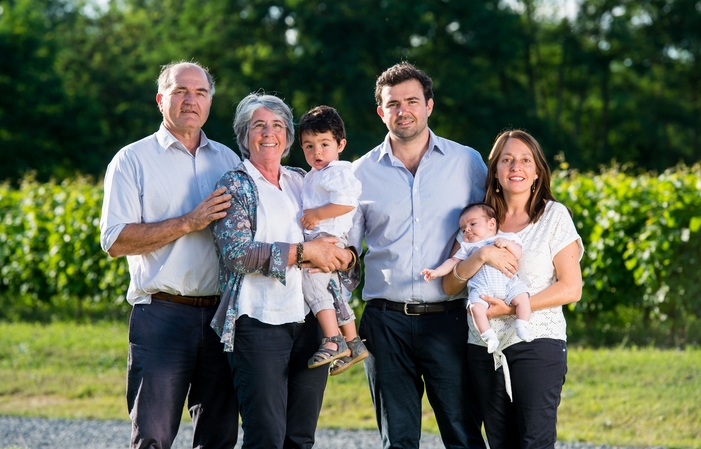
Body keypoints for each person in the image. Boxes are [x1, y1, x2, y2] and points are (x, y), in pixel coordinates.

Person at [99, 61, 240, 449]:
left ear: (210, 102)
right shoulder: (132, 160)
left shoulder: (229, 160)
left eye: (200, 93)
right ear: (161, 100)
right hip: (162, 315)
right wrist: (188, 222)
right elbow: (114, 240)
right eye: (180, 91)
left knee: (219, 437)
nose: (190, 100)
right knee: (153, 438)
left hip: (221, 318)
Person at [348, 61, 488, 449]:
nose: (402, 110)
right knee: (399, 440)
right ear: (381, 112)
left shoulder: (467, 163)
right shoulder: (359, 174)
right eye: (393, 104)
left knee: (462, 434)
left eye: (412, 101)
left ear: (429, 105)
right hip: (384, 323)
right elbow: (347, 253)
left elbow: (494, 223)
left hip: (450, 319)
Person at [209, 93, 358, 449]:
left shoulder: (302, 179)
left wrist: (348, 258)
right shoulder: (235, 184)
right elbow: (236, 253)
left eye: (277, 125)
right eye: (259, 125)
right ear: (244, 135)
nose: (268, 133)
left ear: (288, 136)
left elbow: (338, 235)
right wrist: (305, 252)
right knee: (266, 438)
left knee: (300, 437)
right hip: (258, 324)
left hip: (310, 323)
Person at [443, 130, 583, 448]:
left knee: (534, 441)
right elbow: (450, 284)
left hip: (537, 343)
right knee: (500, 441)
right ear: (495, 170)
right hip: (484, 347)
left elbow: (571, 288)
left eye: (524, 160)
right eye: (506, 160)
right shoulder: (477, 220)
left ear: (536, 172)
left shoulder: (553, 217)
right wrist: (479, 255)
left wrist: (513, 308)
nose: (515, 167)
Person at [298, 105, 369, 374]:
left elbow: (346, 203)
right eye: (309, 145)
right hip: (323, 237)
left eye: (324, 144)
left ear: (340, 144)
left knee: (312, 284)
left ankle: (332, 340)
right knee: (334, 292)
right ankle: (353, 342)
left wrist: (317, 214)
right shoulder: (315, 174)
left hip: (327, 238)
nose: (317, 152)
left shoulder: (337, 171)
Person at [421, 202, 533, 353]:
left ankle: (522, 325)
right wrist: (436, 272)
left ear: (491, 223)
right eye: (463, 229)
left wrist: (507, 244)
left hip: (508, 284)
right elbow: (452, 262)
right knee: (475, 308)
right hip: (482, 288)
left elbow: (518, 254)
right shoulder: (467, 247)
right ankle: (488, 336)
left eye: (473, 224)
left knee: (523, 298)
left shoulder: (506, 238)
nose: (467, 230)